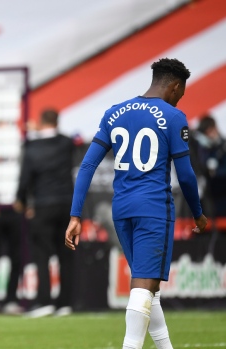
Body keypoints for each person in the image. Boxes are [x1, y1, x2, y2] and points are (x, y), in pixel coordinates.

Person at [65, 58, 207, 349]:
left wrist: (75, 215)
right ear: (176, 86)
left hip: (122, 210)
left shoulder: (114, 112)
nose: (181, 98)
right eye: (182, 92)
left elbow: (87, 166)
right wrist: (198, 214)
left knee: (147, 287)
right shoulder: (173, 116)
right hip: (154, 209)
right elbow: (186, 176)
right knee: (144, 286)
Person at [15, 109, 76, 318]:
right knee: (65, 254)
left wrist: (21, 201)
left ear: (41, 122)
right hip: (67, 204)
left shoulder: (32, 148)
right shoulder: (66, 144)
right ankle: (64, 304)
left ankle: (44, 301)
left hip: (43, 205)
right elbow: (61, 138)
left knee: (41, 253)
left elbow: (25, 179)